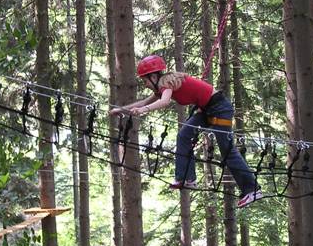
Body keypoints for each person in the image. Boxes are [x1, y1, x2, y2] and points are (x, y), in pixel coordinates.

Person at [109, 55, 263, 208]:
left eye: (145, 81)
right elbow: (143, 102)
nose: (145, 84)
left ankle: (252, 190)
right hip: (207, 109)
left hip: (219, 109)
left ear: (154, 76)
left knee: (228, 151)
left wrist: (142, 110)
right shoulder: (164, 84)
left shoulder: (166, 83)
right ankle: (187, 178)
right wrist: (120, 110)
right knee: (184, 135)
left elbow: (164, 102)